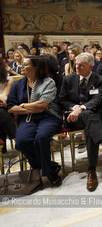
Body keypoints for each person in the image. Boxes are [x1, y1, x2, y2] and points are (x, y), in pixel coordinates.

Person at [58, 53, 102, 191]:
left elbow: (97, 99)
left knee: (90, 122)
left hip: (92, 115)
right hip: (74, 118)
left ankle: (91, 170)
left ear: (91, 66)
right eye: (76, 64)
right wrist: (74, 108)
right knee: (90, 118)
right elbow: (62, 100)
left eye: (81, 65)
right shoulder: (68, 79)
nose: (77, 67)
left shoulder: (99, 79)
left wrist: (81, 108)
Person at [7, 56, 62, 187]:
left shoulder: (48, 82)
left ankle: (49, 173)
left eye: (25, 64)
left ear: (36, 67)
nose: (21, 66)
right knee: (21, 142)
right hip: (27, 119)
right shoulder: (17, 84)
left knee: (41, 137)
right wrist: (32, 107)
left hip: (49, 116)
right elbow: (10, 107)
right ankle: (47, 166)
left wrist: (21, 106)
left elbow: (43, 106)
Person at [0, 62, 15, 153]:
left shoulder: (8, 79)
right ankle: (15, 136)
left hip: (4, 108)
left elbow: (4, 97)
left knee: (1, 112)